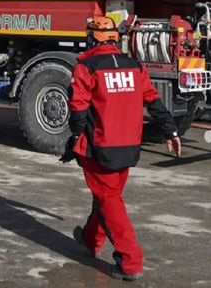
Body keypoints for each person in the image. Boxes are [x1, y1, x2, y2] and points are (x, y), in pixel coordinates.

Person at [61, 15, 182, 281]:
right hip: (129, 147)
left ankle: (130, 261)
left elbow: (78, 109)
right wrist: (171, 131)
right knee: (108, 196)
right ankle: (90, 240)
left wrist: (73, 140)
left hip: (100, 147)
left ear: (92, 38)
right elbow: (154, 100)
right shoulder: (134, 66)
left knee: (109, 201)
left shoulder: (86, 66)